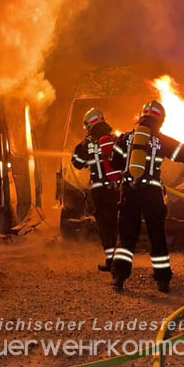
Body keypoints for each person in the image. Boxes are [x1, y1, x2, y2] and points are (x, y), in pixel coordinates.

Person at [110, 101, 184, 292]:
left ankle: (119, 277)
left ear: (141, 116)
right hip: (152, 193)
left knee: (126, 237)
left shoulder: (126, 138)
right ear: (160, 119)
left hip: (129, 192)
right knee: (157, 236)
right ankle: (162, 280)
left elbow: (115, 162)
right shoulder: (163, 141)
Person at [71, 108, 122, 272]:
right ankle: (123, 260)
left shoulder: (86, 144)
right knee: (118, 223)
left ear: (89, 125)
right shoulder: (115, 139)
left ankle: (111, 260)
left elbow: (77, 163)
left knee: (105, 225)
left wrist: (88, 158)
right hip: (117, 189)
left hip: (99, 191)